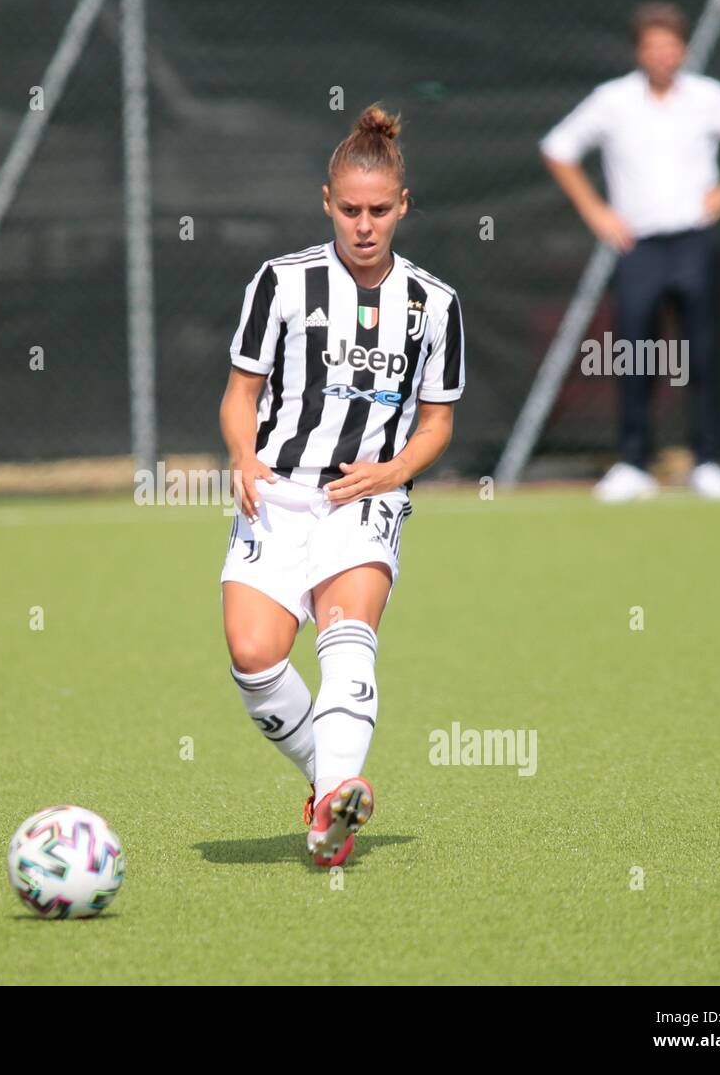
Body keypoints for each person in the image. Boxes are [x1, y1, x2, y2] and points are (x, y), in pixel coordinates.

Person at [218, 104, 464, 867]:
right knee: (253, 654)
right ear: (326, 202)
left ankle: (333, 805)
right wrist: (241, 455)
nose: (365, 225)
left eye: (380, 210)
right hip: (279, 493)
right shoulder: (282, 284)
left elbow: (437, 423)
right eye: (350, 209)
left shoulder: (434, 305)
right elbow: (240, 396)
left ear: (403, 206)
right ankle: (328, 784)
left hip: (367, 497)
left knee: (346, 638)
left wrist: (393, 472)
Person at [540, 1, 720, 502]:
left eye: (670, 46)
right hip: (639, 246)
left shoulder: (707, 97)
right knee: (634, 354)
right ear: (639, 52)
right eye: (653, 47)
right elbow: (559, 148)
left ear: (683, 49)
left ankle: (708, 461)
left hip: (694, 240)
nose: (662, 55)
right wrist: (597, 212)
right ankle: (634, 464)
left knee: (701, 352)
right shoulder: (613, 100)